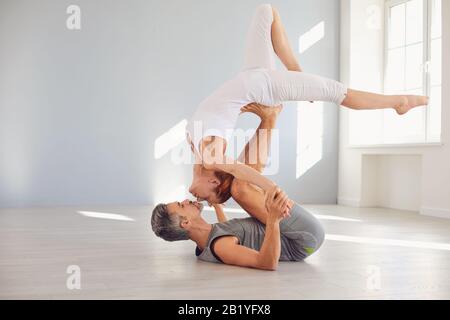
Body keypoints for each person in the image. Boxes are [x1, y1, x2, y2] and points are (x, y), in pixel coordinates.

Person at [185, 4, 429, 205]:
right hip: (267, 87)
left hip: (253, 73)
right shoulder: (211, 158)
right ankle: (399, 103)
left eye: (204, 200)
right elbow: (239, 171)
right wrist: (270, 187)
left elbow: (219, 190)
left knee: (266, 10)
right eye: (205, 199)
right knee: (336, 91)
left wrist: (217, 208)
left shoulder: (199, 153)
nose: (199, 200)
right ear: (215, 182)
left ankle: (296, 73)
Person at [151, 105, 324, 271]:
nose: (185, 200)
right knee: (240, 187)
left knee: (236, 182)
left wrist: (217, 203)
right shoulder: (219, 246)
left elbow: (227, 229)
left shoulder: (210, 236)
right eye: (181, 206)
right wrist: (273, 219)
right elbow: (267, 263)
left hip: (293, 233)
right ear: (186, 223)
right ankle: (269, 117)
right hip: (302, 239)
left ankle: (267, 118)